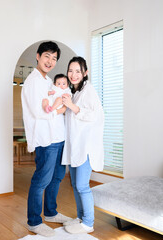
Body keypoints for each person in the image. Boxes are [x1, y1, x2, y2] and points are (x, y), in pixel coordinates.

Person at [21, 41, 72, 237]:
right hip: (45, 140)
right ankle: (34, 221)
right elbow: (38, 112)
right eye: (47, 56)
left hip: (58, 137)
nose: (50, 61)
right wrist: (59, 110)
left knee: (57, 176)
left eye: (54, 58)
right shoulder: (33, 81)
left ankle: (50, 212)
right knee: (41, 179)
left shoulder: (48, 81)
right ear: (38, 56)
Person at [61, 56, 105, 234]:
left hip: (86, 147)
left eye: (78, 71)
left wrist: (72, 106)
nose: (73, 74)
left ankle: (88, 223)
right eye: (71, 70)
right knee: (75, 185)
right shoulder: (75, 92)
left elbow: (94, 115)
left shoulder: (89, 90)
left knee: (82, 185)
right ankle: (80, 218)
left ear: (85, 73)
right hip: (74, 147)